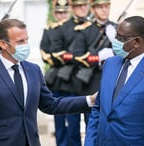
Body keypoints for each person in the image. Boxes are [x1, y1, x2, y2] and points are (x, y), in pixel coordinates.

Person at [0, 18, 97, 146]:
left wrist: (90, 100)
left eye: (26, 40)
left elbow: (51, 104)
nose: (25, 45)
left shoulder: (33, 70)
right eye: (20, 41)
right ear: (3, 44)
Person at [84, 16, 144, 146]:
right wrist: (89, 142)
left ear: (137, 42)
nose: (115, 41)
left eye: (121, 38)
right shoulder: (110, 64)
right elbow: (98, 109)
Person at [46, 0, 91, 145]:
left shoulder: (96, 27)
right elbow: (54, 52)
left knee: (92, 126)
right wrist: (77, 57)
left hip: (90, 82)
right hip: (69, 84)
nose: (83, 8)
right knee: (71, 126)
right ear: (73, 7)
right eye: (79, 5)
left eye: (85, 4)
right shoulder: (62, 28)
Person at [39, 0, 72, 146]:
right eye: (59, 12)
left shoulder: (74, 29)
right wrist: (62, 57)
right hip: (56, 81)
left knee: (73, 120)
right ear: (54, 13)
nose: (62, 15)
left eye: (64, 12)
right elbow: (44, 54)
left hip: (72, 81)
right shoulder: (49, 30)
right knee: (59, 119)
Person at [73, 0, 116, 96]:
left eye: (106, 6)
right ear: (93, 9)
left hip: (113, 81)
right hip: (92, 83)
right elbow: (76, 57)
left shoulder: (117, 28)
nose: (104, 10)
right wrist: (98, 57)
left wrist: (116, 43)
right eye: (100, 7)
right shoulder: (85, 30)